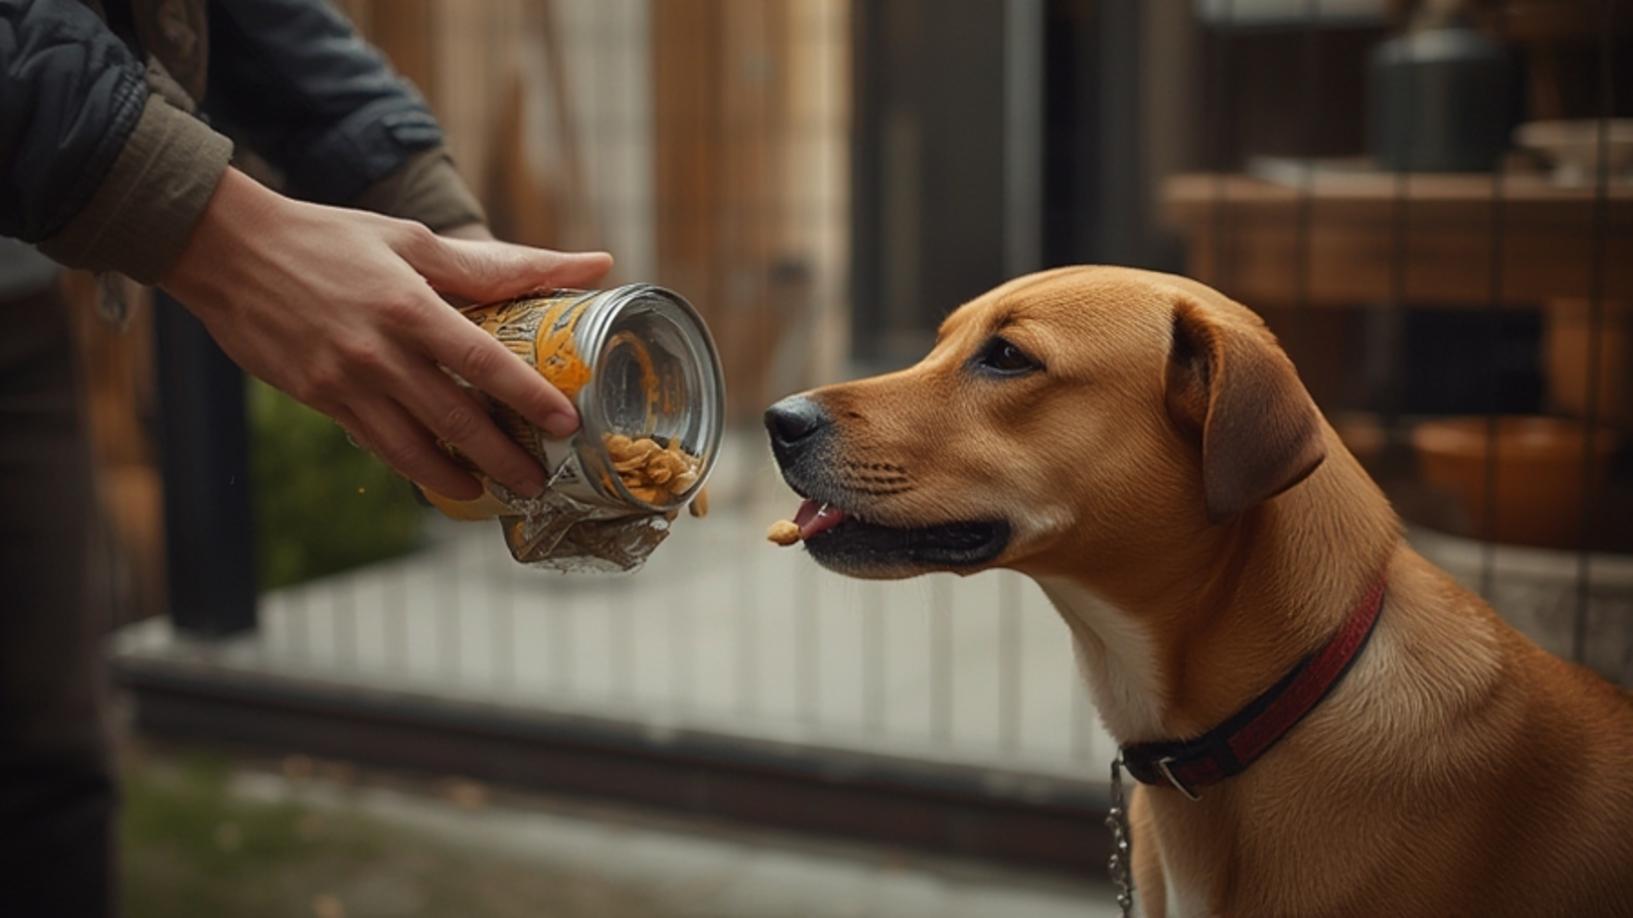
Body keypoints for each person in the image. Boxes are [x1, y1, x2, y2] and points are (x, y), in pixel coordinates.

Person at [0, 1, 610, 913]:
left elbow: (254, 20)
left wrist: (449, 239)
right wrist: (212, 228)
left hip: (16, 305)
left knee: (48, 775)